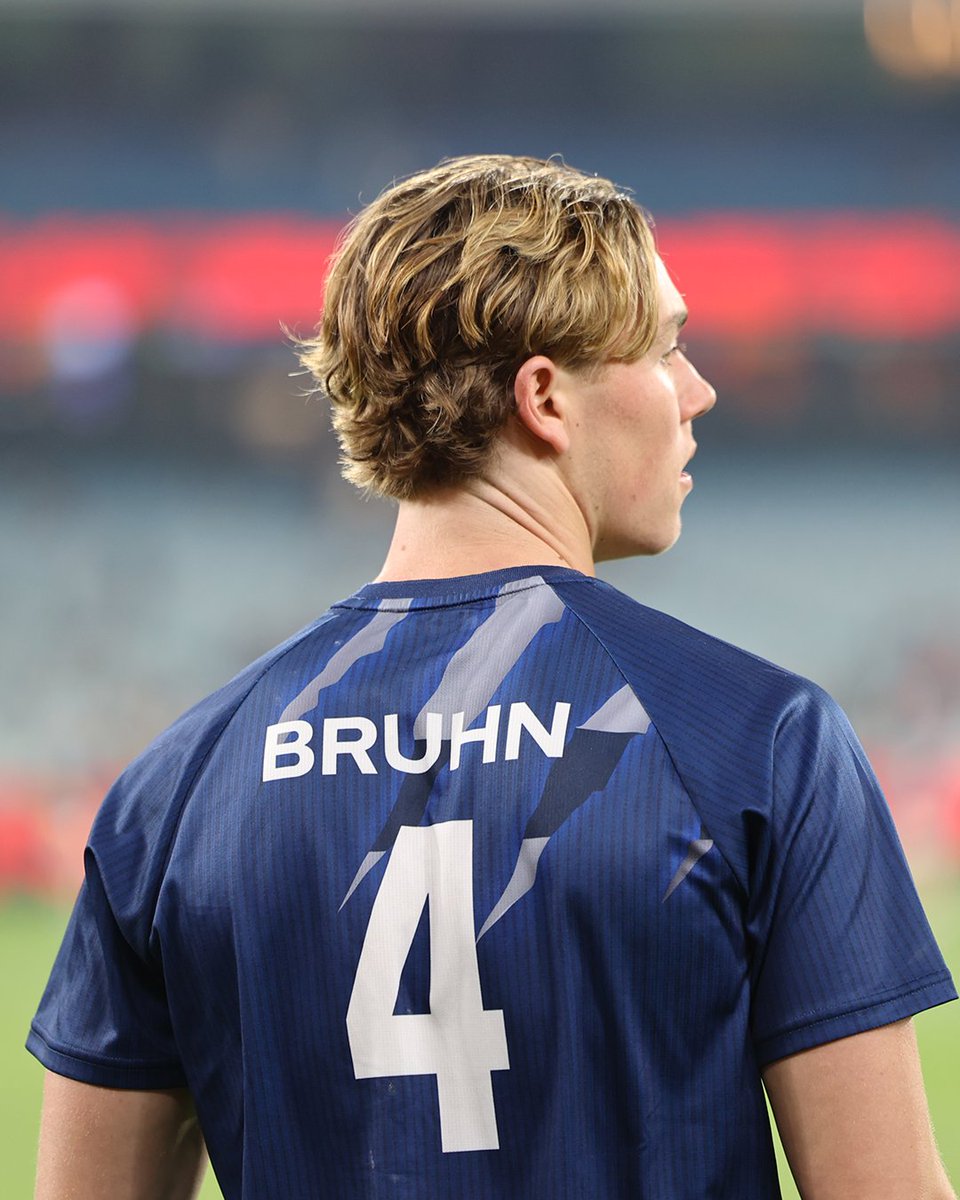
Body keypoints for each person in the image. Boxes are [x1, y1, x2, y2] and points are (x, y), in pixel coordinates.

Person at [28, 154, 956, 1200]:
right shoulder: (755, 741)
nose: (699, 391)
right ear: (546, 398)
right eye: (667, 346)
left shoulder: (174, 792)